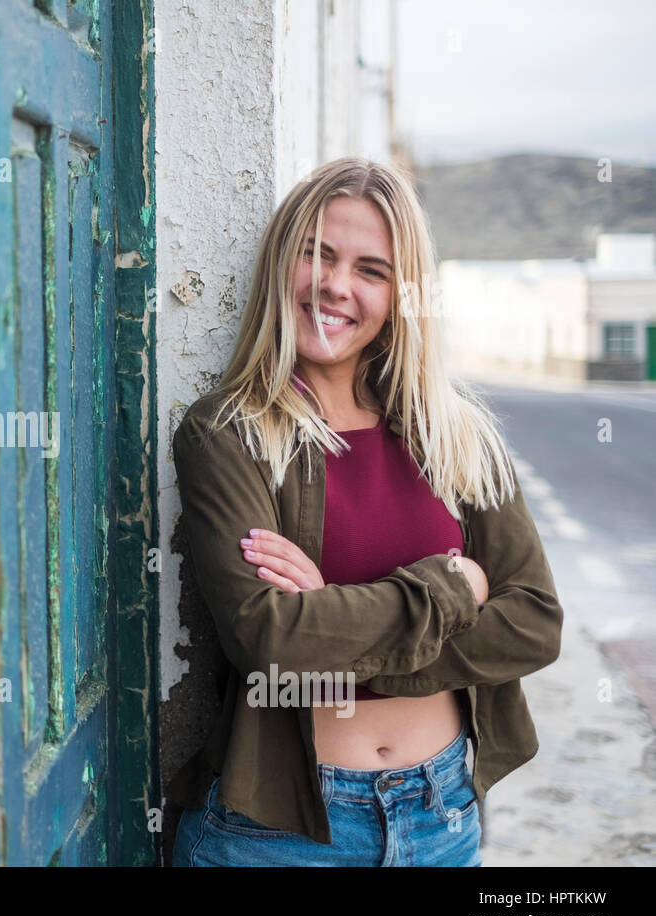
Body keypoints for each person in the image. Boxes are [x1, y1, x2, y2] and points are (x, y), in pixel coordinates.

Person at [169, 157, 563, 866]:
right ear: (280, 263)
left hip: (441, 815)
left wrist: (335, 624)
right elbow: (270, 642)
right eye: (315, 253)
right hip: (282, 833)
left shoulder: (456, 432)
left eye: (371, 270)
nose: (336, 285)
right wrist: (452, 591)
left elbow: (534, 622)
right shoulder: (227, 432)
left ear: (401, 293)